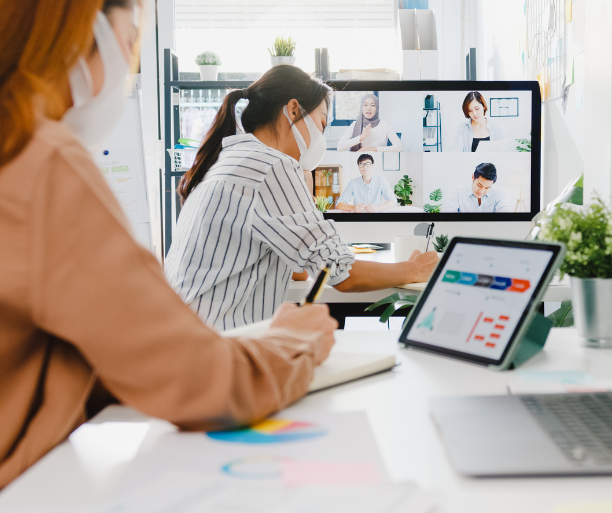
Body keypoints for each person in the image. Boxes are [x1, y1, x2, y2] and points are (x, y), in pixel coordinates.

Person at [0, 0, 342, 506]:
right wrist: (297, 340)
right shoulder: (39, 162)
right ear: (80, 32)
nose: (128, 70)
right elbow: (199, 381)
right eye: (129, 44)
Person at [166, 67, 438, 331]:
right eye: (322, 124)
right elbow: (341, 272)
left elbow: (300, 268)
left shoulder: (230, 160)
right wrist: (414, 269)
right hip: (219, 347)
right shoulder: (271, 166)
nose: (321, 137)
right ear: (294, 110)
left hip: (189, 339)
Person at [336, 93, 403, 152]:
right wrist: (360, 138)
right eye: (365, 105)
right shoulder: (355, 125)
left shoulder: (385, 125)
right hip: (359, 161)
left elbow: (399, 147)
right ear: (361, 108)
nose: (368, 108)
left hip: (380, 160)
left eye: (373, 105)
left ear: (377, 108)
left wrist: (374, 149)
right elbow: (339, 146)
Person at [445, 163, 515, 213]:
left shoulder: (498, 193)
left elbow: (505, 212)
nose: (481, 191)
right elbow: (449, 213)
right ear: (473, 178)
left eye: (487, 188)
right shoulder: (458, 191)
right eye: (479, 185)